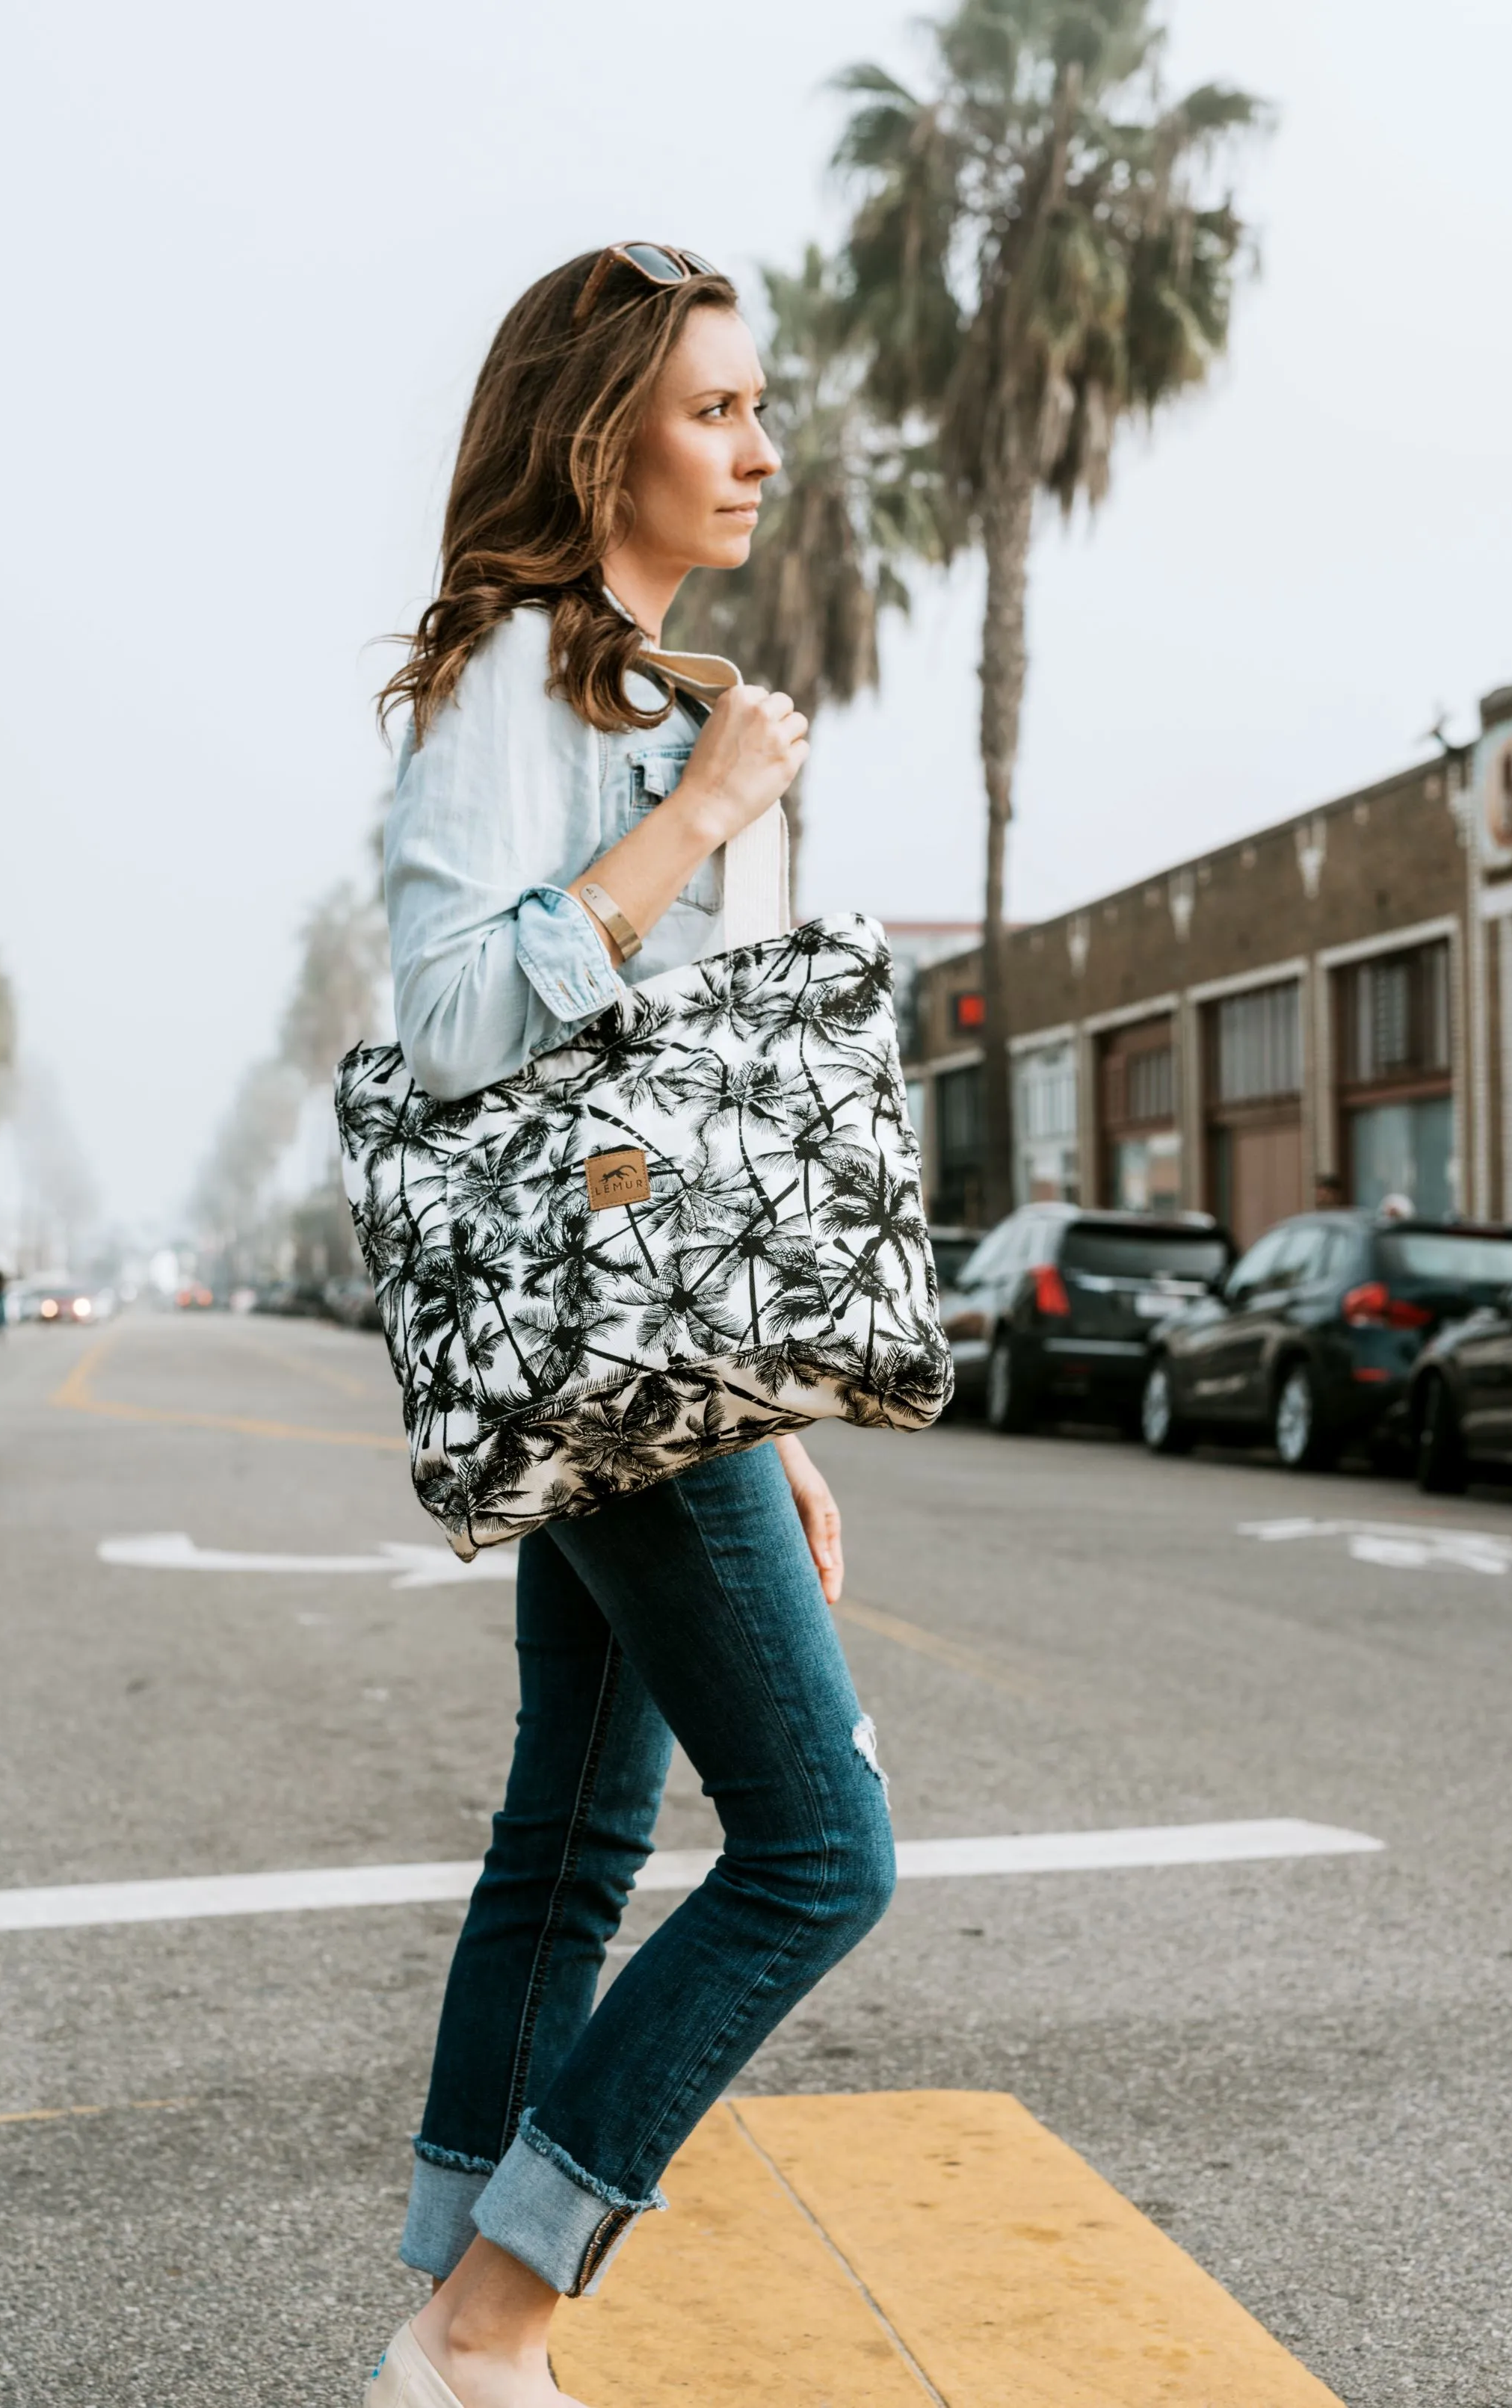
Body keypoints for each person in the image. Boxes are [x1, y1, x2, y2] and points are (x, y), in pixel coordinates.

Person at [363, 245, 896, 2408]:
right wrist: (698, 817)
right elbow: (457, 1021)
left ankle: (450, 2320)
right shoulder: (524, 676)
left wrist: (773, 1417)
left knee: (577, 1825)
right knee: (821, 1849)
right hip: (604, 1355)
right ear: (605, 441)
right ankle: (488, 2324)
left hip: (649, 1350)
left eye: (761, 408)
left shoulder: (652, 688)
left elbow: (683, 1129)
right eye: (716, 410)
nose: (761, 449)